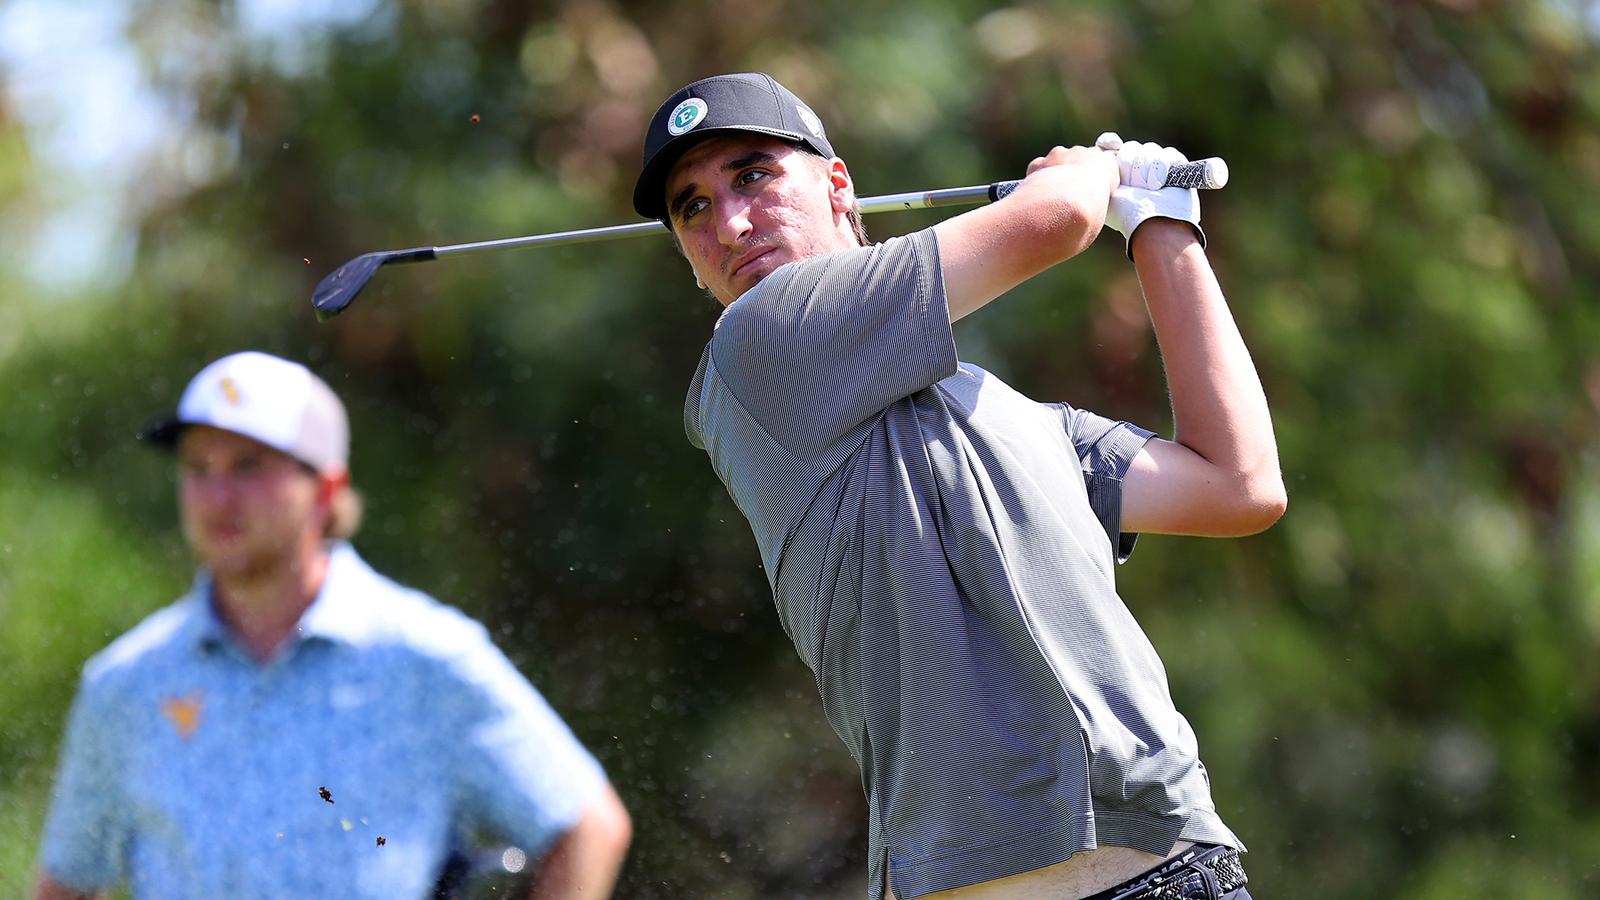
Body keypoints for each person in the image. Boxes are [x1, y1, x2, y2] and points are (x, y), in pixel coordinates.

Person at [631, 72, 1285, 899]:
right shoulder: (756, 344)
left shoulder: (1019, 420)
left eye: (752, 174)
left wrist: (1162, 228)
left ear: (838, 185)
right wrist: (1088, 173)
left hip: (1171, 872)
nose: (728, 221)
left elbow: (1237, 485)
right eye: (691, 208)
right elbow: (1054, 222)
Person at [32, 351, 632, 900]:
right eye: (197, 466)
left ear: (325, 489)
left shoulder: (425, 656)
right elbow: (67, 880)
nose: (217, 495)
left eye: (248, 465)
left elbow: (587, 826)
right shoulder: (126, 685)